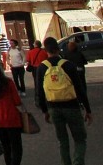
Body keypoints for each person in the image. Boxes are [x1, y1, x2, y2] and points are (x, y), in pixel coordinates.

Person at [36, 36, 92, 165]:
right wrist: (87, 109)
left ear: (46, 50)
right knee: (79, 139)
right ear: (58, 49)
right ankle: (78, 162)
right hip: (71, 106)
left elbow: (39, 92)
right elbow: (79, 88)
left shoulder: (42, 67)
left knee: (62, 141)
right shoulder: (67, 65)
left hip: (53, 107)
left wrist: (45, 110)